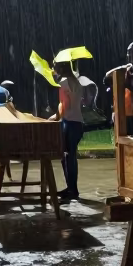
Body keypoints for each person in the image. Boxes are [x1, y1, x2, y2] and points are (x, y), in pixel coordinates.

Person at [49, 61, 85, 201]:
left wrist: (54, 117)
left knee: (66, 157)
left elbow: (65, 106)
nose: (53, 69)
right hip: (78, 122)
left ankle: (72, 189)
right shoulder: (76, 81)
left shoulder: (63, 83)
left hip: (69, 123)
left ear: (61, 68)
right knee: (70, 156)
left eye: (55, 66)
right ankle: (72, 188)